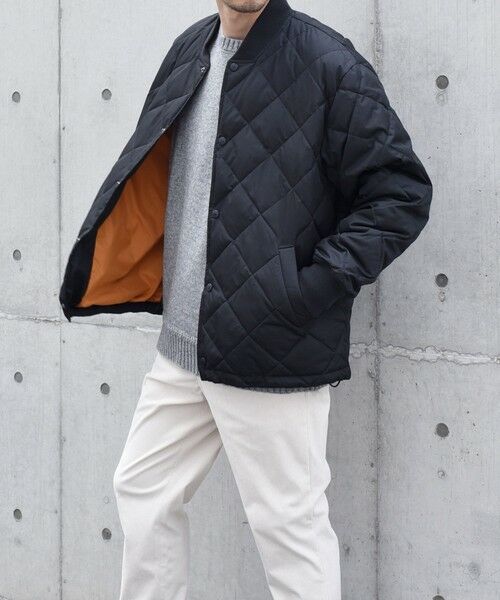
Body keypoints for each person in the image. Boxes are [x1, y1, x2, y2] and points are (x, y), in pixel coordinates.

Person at [59, 0, 432, 598]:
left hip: (271, 348)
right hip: (183, 348)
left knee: (290, 531)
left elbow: (400, 194)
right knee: (142, 492)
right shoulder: (190, 50)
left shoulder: (327, 63)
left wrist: (306, 287)